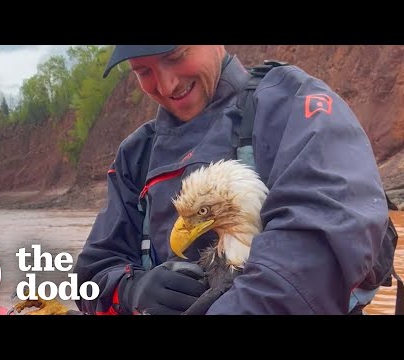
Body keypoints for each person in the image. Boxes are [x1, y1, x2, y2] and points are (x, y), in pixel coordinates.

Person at [72, 45, 390, 315]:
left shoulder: (293, 106)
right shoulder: (136, 156)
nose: (166, 85)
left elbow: (317, 251)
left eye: (176, 55)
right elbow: (89, 276)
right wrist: (132, 289)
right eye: (144, 71)